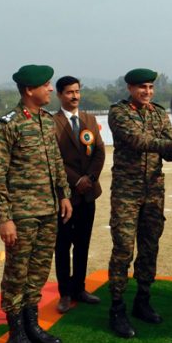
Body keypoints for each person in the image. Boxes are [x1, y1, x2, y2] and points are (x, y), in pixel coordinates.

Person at [108, 68, 172, 339]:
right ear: (129, 88)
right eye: (141, 88)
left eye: (150, 87)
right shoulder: (120, 113)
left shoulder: (158, 113)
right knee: (123, 249)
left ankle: (142, 300)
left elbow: (168, 151)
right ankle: (117, 308)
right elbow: (140, 141)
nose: (147, 92)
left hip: (153, 192)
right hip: (127, 192)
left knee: (150, 248)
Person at [0, 64, 73, 343]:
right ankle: (15, 334)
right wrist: (5, 218)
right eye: (46, 85)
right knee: (16, 273)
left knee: (37, 272)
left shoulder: (47, 121)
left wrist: (63, 194)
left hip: (48, 210)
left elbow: (56, 163)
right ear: (29, 90)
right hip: (22, 214)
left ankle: (32, 324)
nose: (51, 89)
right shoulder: (7, 125)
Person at [53, 76, 105, 313]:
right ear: (59, 95)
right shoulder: (52, 123)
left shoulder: (89, 120)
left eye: (77, 91)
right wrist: (77, 180)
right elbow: (54, 160)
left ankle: (79, 288)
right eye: (69, 92)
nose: (74, 96)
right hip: (66, 196)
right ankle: (64, 293)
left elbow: (100, 152)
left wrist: (90, 178)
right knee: (63, 246)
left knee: (83, 244)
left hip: (88, 195)